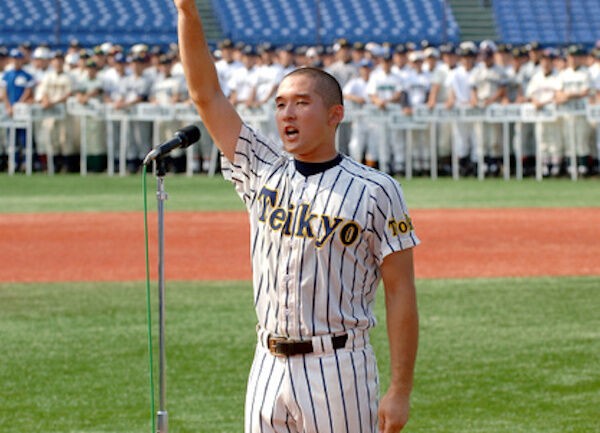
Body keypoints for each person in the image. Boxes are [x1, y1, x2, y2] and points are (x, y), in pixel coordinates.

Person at [173, 1, 420, 433]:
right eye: (281, 104)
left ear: (334, 115)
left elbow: (400, 292)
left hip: (339, 367)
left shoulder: (376, 190)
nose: (286, 113)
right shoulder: (260, 168)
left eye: (301, 103)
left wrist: (400, 389)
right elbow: (206, 96)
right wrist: (188, 14)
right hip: (266, 364)